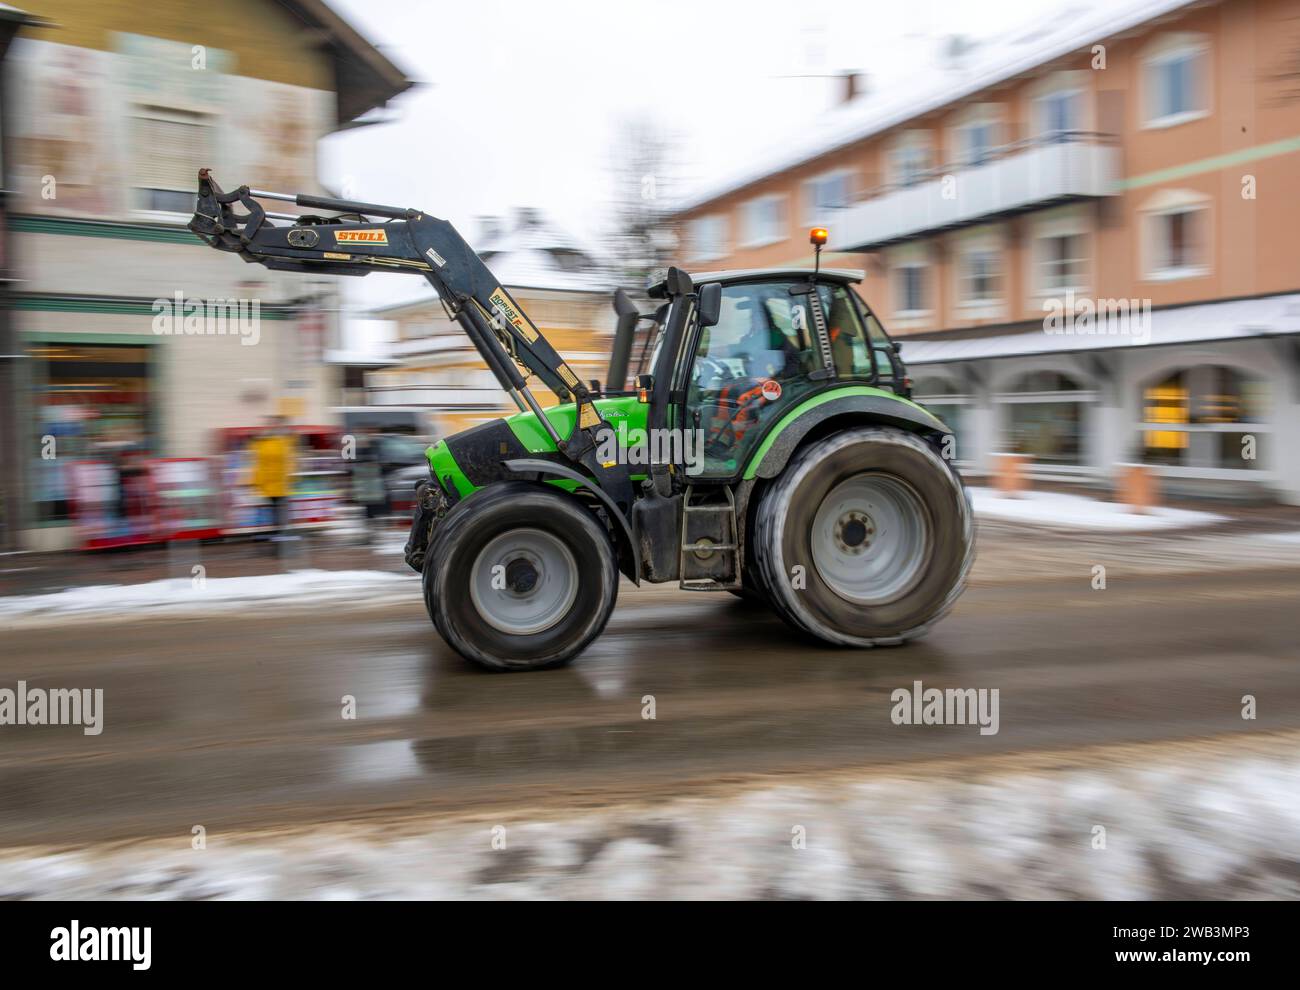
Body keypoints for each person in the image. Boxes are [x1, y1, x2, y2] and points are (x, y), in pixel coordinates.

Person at [249, 416, 297, 541]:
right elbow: (258, 462)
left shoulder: (283, 441)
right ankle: (280, 540)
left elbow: (290, 461)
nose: (272, 426)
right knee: (277, 516)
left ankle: (281, 540)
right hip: (271, 485)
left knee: (279, 515)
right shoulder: (265, 442)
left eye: (275, 424)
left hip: (279, 485)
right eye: (271, 424)